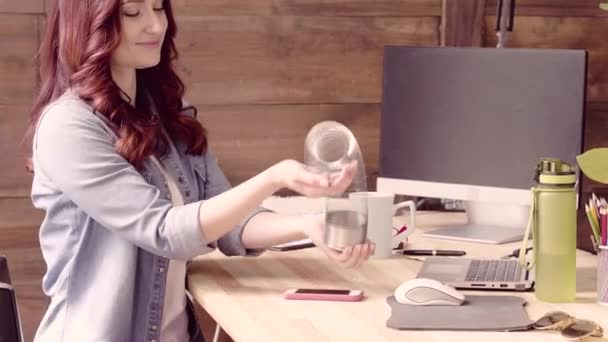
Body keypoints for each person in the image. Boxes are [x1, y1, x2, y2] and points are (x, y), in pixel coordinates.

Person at [27, 0, 375, 341]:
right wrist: (275, 177)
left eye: (159, 8)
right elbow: (164, 231)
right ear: (90, 22)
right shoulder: (67, 127)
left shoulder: (164, 118)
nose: (155, 25)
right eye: (132, 12)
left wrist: (306, 226)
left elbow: (229, 222)